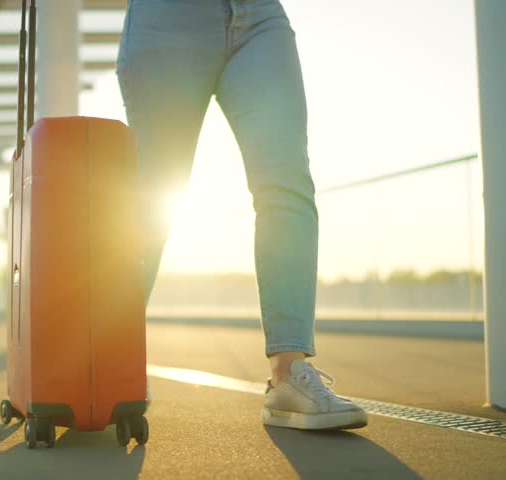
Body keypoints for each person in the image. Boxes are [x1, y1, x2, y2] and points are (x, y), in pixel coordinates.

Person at [117, 0, 368, 430]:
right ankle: (112, 362)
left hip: (259, 19)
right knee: (152, 197)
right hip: (165, 22)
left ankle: (289, 375)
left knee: (286, 182)